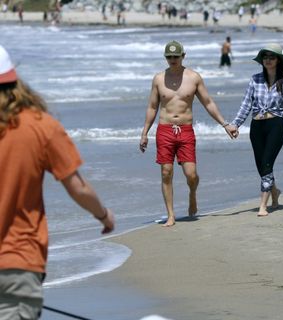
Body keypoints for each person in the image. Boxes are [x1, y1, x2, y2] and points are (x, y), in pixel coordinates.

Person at [0, 45, 115, 319]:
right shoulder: (40, 126)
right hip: (17, 260)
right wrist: (104, 216)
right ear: (14, 79)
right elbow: (78, 187)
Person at [139, 40, 236, 227]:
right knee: (166, 173)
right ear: (165, 57)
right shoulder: (159, 79)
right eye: (169, 57)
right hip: (165, 129)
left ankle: (192, 194)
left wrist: (225, 124)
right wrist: (144, 133)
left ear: (183, 56)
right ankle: (171, 215)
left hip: (185, 130)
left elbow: (208, 102)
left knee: (191, 175)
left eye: (176, 56)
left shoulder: (194, 77)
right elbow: (152, 107)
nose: (172, 59)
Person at [230, 43, 283, 217]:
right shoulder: (255, 79)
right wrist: (235, 124)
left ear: (278, 60)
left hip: (276, 125)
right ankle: (275, 192)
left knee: (267, 162)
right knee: (261, 165)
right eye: (265, 57)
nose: (268, 60)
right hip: (257, 127)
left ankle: (263, 204)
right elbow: (246, 105)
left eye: (272, 57)